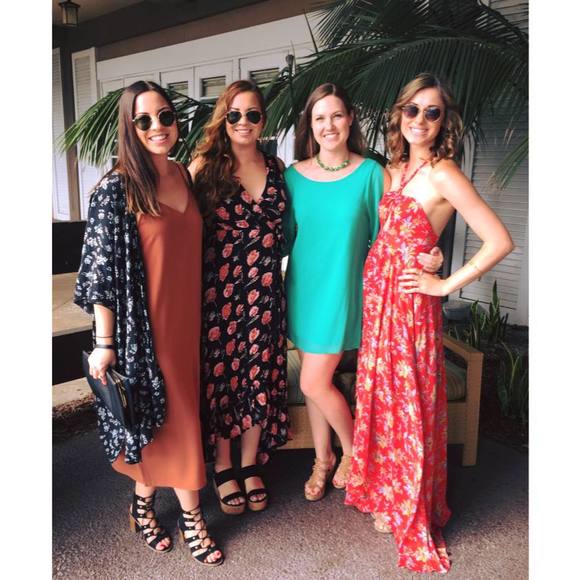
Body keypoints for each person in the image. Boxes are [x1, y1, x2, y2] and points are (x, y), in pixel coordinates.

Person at [345, 73, 514, 573]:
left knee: (409, 401)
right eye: (413, 109)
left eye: (432, 112)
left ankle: (411, 502)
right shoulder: (393, 170)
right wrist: (429, 255)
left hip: (410, 304)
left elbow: (499, 240)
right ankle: (387, 490)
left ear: (444, 122)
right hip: (378, 301)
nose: (420, 119)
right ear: (399, 114)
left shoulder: (444, 173)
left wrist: (443, 283)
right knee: (382, 397)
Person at [75, 81, 223, 567]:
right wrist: (105, 343)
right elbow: (99, 275)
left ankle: (141, 506)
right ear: (130, 127)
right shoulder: (115, 189)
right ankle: (193, 518)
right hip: (146, 330)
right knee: (177, 420)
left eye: (165, 116)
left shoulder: (182, 173)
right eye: (144, 120)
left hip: (189, 323)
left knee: (165, 424)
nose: (157, 127)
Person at [283, 83, 443, 502]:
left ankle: (356, 453)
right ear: (310, 125)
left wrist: (432, 253)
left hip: (345, 290)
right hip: (302, 290)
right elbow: (283, 238)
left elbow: (396, 231)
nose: (329, 125)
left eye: (336, 115)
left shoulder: (373, 173)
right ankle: (323, 459)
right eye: (319, 118)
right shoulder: (292, 176)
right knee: (315, 381)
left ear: (350, 118)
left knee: (313, 381)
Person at [189, 80, 289, 516]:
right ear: (223, 119)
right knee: (225, 378)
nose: (243, 122)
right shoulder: (204, 167)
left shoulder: (278, 167)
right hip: (220, 295)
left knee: (258, 373)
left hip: (265, 292)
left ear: (263, 120)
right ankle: (224, 464)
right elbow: (174, 220)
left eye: (252, 114)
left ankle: (250, 463)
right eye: (234, 114)